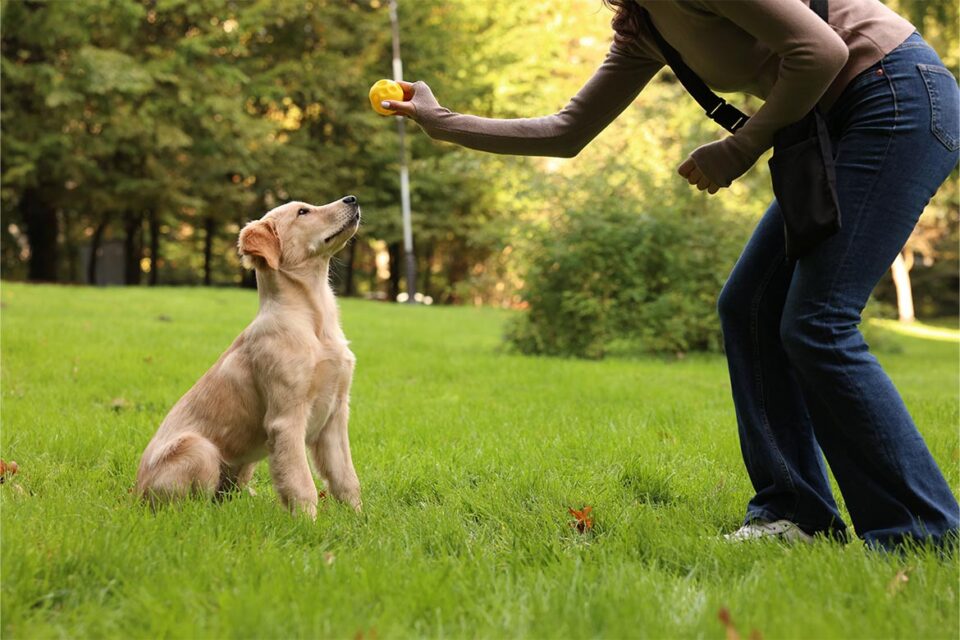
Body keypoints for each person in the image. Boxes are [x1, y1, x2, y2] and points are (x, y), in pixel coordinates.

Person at [382, 0, 960, 549]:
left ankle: (922, 530)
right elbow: (567, 130)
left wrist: (741, 147)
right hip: (840, 122)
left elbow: (823, 51)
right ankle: (794, 511)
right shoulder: (647, 25)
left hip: (895, 97)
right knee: (750, 308)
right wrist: (444, 122)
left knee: (817, 323)